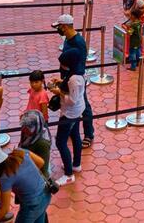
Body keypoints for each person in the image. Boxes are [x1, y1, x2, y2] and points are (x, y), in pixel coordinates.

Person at [0, 143, 51, 223]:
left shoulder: (5, 178)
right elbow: (41, 163)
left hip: (32, 205)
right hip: (46, 193)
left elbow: (4, 210)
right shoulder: (20, 152)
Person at [51, 14, 94, 149]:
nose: (58, 29)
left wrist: (67, 81)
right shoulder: (68, 40)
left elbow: (79, 67)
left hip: (75, 80)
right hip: (66, 77)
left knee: (83, 105)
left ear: (64, 27)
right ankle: (71, 127)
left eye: (59, 27)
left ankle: (88, 134)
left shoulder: (79, 43)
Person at [50, 48, 85, 187]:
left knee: (60, 142)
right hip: (76, 112)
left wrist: (58, 92)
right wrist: (60, 82)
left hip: (70, 113)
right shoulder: (77, 73)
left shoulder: (74, 80)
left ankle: (69, 175)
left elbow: (71, 100)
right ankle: (76, 164)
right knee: (75, 135)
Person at [18, 110, 52, 177]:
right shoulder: (28, 133)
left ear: (36, 128)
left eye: (27, 127)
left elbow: (43, 169)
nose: (23, 129)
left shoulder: (43, 144)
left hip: (36, 173)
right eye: (23, 126)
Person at [124, 4, 144, 71]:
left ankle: (133, 66)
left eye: (131, 15)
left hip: (133, 42)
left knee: (132, 53)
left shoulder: (133, 25)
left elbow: (130, 32)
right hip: (139, 41)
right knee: (138, 51)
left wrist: (125, 28)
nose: (130, 16)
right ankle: (139, 62)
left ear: (134, 16)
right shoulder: (139, 22)